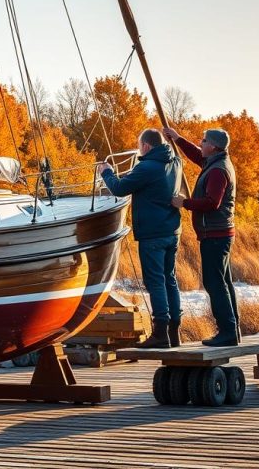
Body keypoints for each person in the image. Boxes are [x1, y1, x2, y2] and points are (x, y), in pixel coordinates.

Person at [97, 128, 184, 348]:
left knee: (155, 281)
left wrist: (106, 172)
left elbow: (118, 188)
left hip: (152, 233)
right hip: (172, 230)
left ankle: (160, 333)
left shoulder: (146, 167)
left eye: (139, 145)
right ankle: (175, 332)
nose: (138, 149)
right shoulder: (175, 162)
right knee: (169, 279)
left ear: (145, 146)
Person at [164, 126, 240, 347]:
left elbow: (212, 203)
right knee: (224, 282)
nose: (201, 142)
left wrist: (184, 203)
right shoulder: (215, 162)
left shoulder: (217, 171)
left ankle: (227, 332)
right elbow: (197, 154)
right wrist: (178, 139)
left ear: (214, 146)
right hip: (219, 233)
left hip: (215, 235)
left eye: (204, 140)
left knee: (215, 283)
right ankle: (232, 329)